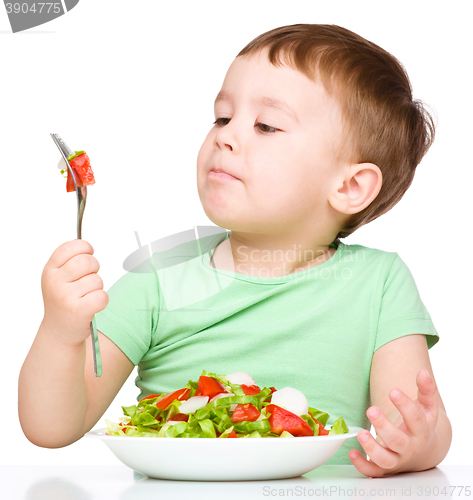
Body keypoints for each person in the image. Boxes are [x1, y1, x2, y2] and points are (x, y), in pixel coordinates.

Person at [18, 24, 452, 477]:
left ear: (349, 186)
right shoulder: (157, 280)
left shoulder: (378, 284)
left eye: (266, 125)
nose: (225, 137)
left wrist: (419, 444)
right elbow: (51, 428)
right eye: (222, 118)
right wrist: (60, 332)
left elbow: (417, 421)